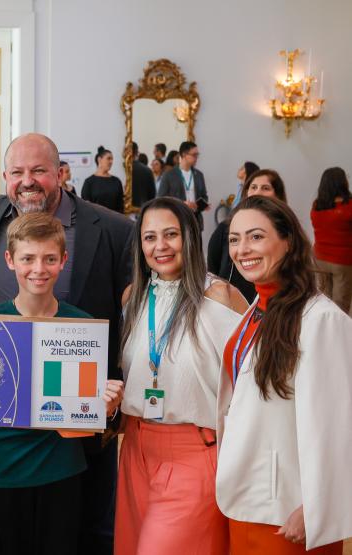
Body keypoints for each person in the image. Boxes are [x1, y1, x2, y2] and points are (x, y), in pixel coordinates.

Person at [0, 133, 133, 554]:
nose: (28, 180)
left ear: (60, 173)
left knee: (85, 532)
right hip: (6, 443)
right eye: (18, 172)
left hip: (72, 433)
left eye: (39, 170)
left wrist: (112, 395)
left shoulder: (114, 229)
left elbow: (135, 306)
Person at [0, 212, 124, 555]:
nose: (38, 269)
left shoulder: (83, 327)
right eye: (28, 259)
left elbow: (90, 415)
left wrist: (107, 406)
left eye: (49, 259)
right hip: (4, 473)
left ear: (63, 261)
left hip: (62, 473)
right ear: (10, 260)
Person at [217, 195, 352, 553]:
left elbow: (340, 423)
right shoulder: (258, 308)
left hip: (289, 511)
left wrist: (316, 505)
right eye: (234, 239)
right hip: (246, 496)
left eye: (256, 236)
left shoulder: (320, 319)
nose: (243, 249)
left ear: (288, 241)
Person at [115, 197, 247, 555]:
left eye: (171, 234)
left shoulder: (220, 296)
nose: (160, 246)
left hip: (194, 451)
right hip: (136, 451)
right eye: (150, 237)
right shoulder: (133, 298)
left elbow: (249, 381)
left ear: (189, 236)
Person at [207, 169, 286, 303]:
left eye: (265, 188)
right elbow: (212, 267)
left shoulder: (285, 227)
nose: (257, 192)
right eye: (253, 187)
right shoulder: (226, 227)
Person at [310, 167, 352, 314]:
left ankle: (324, 323)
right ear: (343, 183)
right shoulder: (349, 206)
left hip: (319, 258)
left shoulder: (317, 206)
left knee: (324, 298)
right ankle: (339, 327)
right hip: (342, 261)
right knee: (341, 302)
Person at [158, 141, 210, 231]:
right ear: (184, 155)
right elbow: (161, 199)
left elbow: (204, 196)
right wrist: (182, 204)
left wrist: (200, 205)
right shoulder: (169, 175)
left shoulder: (199, 175)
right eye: (194, 155)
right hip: (176, 220)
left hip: (195, 221)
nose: (196, 158)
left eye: (197, 155)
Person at [82, 146, 124, 213]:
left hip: (114, 218)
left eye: (112, 159)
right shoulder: (89, 182)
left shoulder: (116, 181)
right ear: (99, 159)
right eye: (108, 158)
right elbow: (85, 207)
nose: (111, 162)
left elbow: (120, 206)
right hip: (96, 219)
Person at [131, 142, 156, 209]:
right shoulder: (147, 170)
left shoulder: (120, 168)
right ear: (136, 152)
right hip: (142, 208)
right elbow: (152, 195)